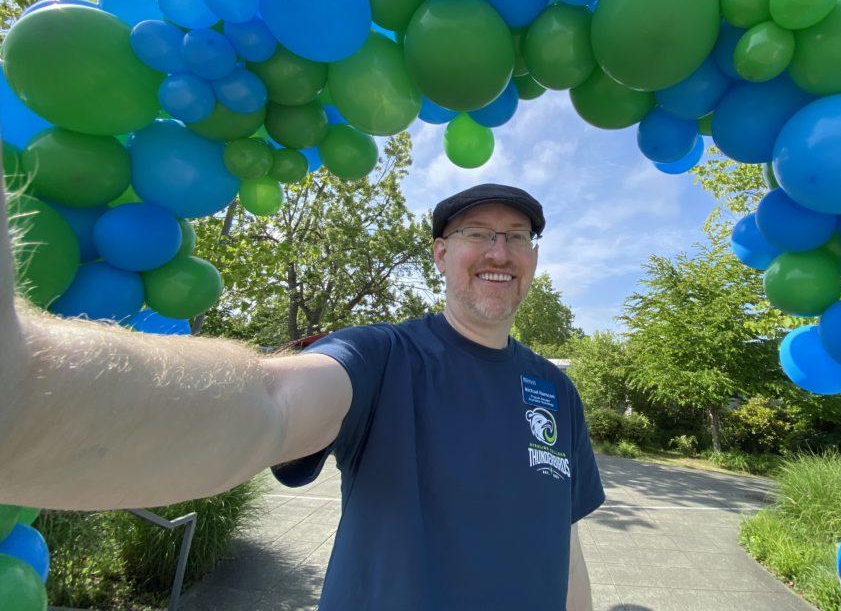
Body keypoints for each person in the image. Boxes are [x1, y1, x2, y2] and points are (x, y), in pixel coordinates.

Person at [0, 175, 605, 611]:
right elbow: (270, 402)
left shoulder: (555, 388)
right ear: (442, 255)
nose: (500, 251)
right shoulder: (384, 356)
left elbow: (564, 536)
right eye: (479, 233)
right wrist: (28, 389)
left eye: (518, 237)